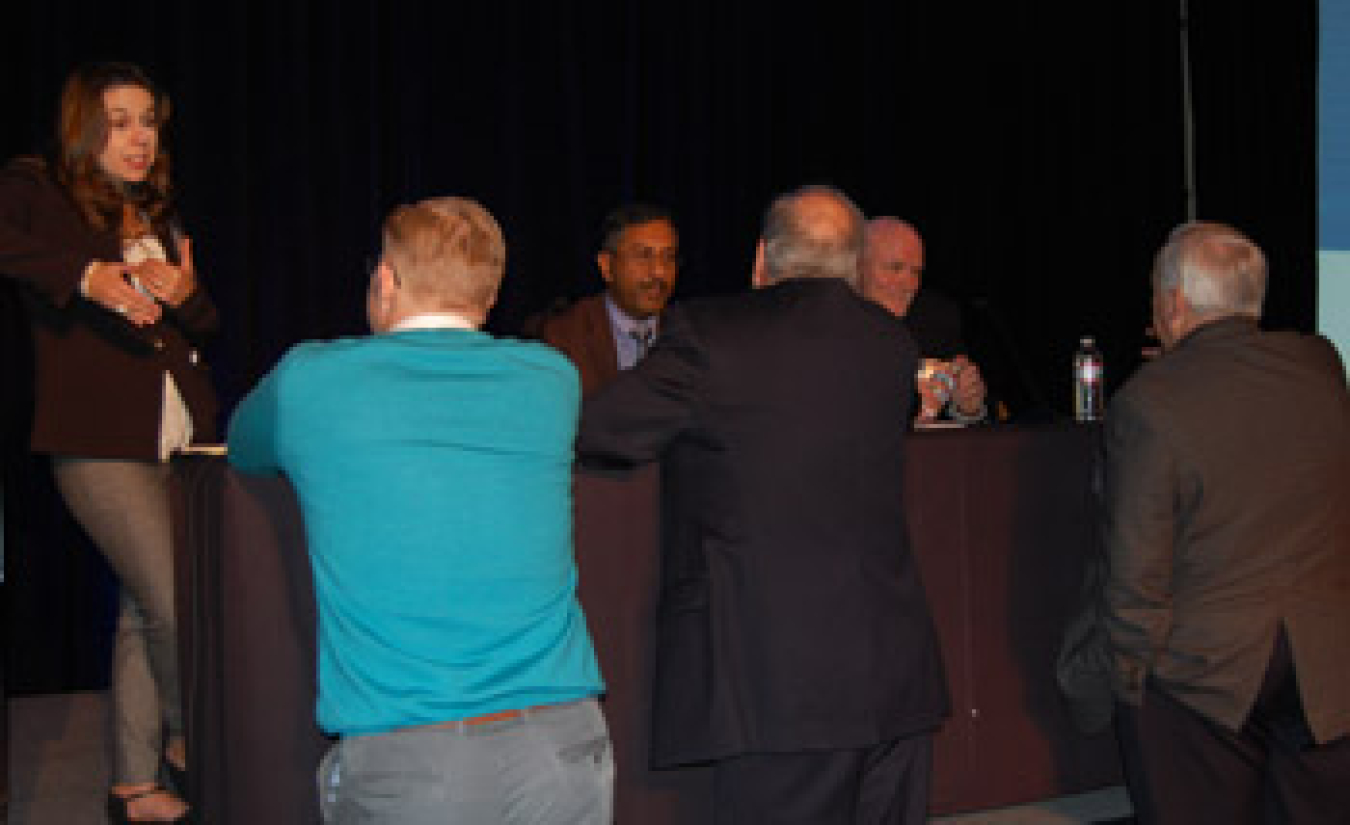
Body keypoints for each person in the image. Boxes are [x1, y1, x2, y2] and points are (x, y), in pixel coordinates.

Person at [227, 196, 611, 824]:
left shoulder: (312, 381)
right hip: (568, 742)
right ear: (489, 297)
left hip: (413, 756)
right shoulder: (551, 378)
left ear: (385, 281)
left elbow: (244, 447)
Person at [576, 185, 949, 824]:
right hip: (897, 681)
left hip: (778, 688)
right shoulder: (892, 346)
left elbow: (600, 429)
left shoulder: (712, 337)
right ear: (857, 265)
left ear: (760, 259)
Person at [1057, 222, 1350, 823]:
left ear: (1172, 304)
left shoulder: (1148, 402)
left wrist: (1126, 686)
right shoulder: (1321, 366)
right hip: (1325, 669)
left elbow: (1135, 574)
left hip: (1204, 675)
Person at [0, 62, 218, 823]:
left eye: (148, 121)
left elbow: (201, 329)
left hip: (180, 444)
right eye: (119, 121)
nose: (139, 137)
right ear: (83, 130)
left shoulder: (159, 212)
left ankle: (134, 786)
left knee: (141, 611)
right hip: (99, 444)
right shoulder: (38, 190)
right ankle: (197, 741)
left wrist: (189, 298)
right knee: (172, 600)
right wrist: (89, 275)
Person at [530, 202, 680, 394]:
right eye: (644, 256)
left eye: (669, 257)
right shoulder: (562, 337)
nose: (659, 272)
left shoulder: (691, 334)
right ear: (607, 266)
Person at [859, 217, 988, 424]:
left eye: (916, 272)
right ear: (857, 267)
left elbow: (968, 421)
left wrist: (967, 408)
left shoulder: (935, 317)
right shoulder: (826, 325)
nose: (909, 284)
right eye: (895, 268)